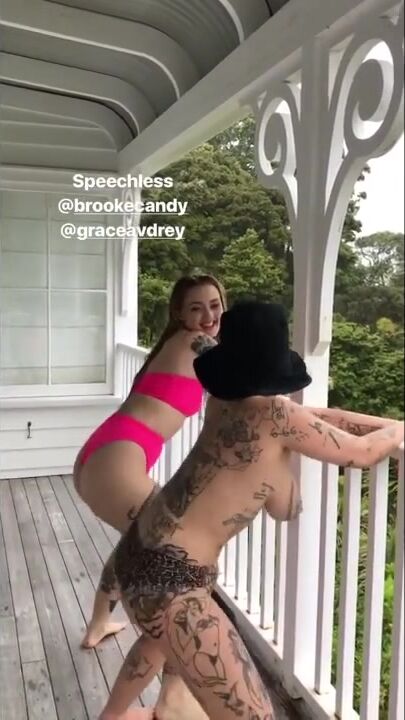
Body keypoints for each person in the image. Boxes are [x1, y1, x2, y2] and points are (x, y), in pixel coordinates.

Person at [98, 300, 404, 720]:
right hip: (174, 582)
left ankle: (112, 716)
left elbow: (312, 418)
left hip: (137, 551)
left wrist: (378, 425)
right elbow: (362, 452)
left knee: (156, 639)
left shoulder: (222, 402)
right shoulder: (277, 416)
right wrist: (397, 428)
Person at [73, 274, 226, 720]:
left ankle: (99, 622)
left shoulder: (179, 343)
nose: (208, 315)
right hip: (116, 461)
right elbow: (237, 373)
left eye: (215, 305)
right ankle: (172, 696)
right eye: (196, 307)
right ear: (180, 313)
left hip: (104, 456)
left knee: (137, 541)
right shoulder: (196, 343)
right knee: (188, 567)